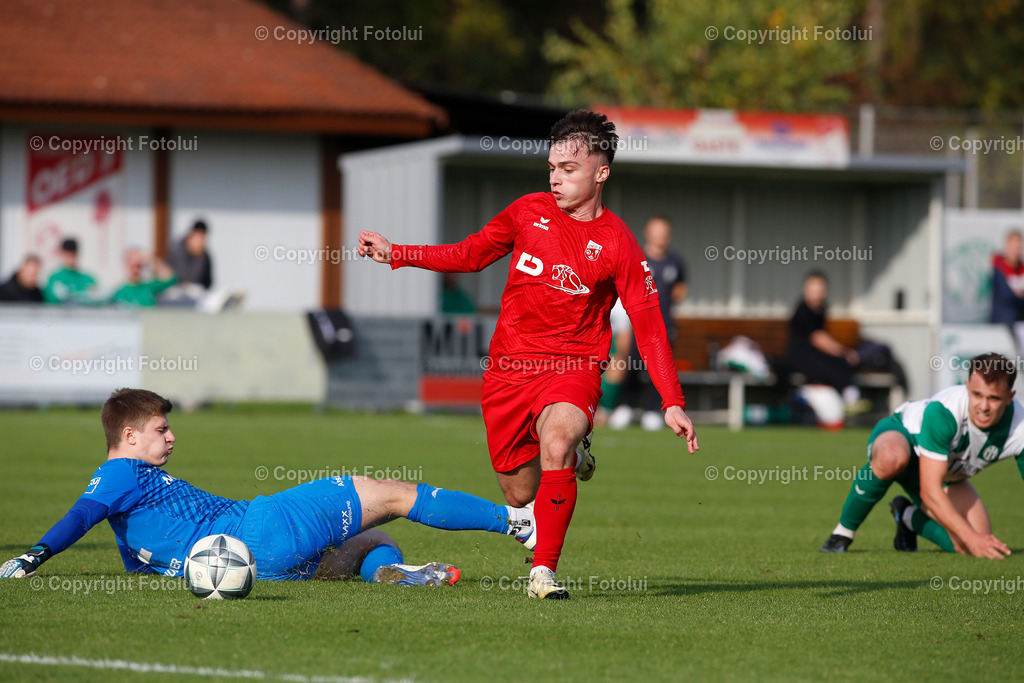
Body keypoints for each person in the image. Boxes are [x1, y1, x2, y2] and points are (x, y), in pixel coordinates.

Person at [357, 109, 699, 599]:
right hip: (509, 371)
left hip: (573, 366)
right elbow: (469, 254)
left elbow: (649, 325)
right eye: (552, 168)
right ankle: (569, 459)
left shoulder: (620, 244)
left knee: (555, 441)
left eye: (569, 169)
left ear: (601, 173)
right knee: (520, 495)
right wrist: (398, 252)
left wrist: (671, 400)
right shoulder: (527, 211)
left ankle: (543, 572)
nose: (556, 179)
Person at [0, 388, 535, 586]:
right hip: (263, 525)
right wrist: (33, 557)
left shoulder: (131, 500)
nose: (172, 438)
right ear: (129, 435)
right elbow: (80, 515)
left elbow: (140, 560)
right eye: (161, 431)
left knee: (366, 543)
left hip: (260, 569)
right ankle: (516, 522)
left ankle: (391, 574)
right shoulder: (118, 473)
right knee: (389, 492)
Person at [820, 353, 1021, 558]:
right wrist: (971, 537)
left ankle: (906, 516)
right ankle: (843, 533)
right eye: (977, 395)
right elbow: (930, 491)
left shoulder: (1020, 429)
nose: (984, 406)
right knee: (891, 457)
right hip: (904, 438)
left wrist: (973, 539)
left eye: (993, 398)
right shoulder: (945, 411)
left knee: (976, 544)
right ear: (966, 386)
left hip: (944, 471)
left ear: (1010, 397)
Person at [608, 215, 688, 431]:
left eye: (664, 231)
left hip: (664, 324)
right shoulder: (637, 257)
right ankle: (624, 407)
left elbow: (680, 290)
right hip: (637, 322)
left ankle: (653, 411)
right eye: (656, 230)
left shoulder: (676, 261)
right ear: (648, 232)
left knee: (660, 366)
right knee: (631, 363)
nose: (660, 235)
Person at [785, 271, 862, 408]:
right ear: (806, 289)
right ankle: (847, 401)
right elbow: (818, 339)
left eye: (820, 288)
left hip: (813, 355)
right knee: (834, 367)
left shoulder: (820, 310)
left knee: (840, 364)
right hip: (800, 358)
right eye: (813, 288)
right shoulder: (803, 310)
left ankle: (848, 399)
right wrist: (843, 351)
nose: (817, 292)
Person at [110, 249, 177, 307]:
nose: (136, 269)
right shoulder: (119, 292)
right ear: (126, 263)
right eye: (133, 265)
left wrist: (152, 259)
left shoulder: (149, 286)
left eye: (139, 265)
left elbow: (172, 278)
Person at [42, 237, 98, 304]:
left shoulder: (88, 279)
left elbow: (97, 300)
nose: (70, 258)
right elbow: (50, 302)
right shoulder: (54, 278)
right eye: (67, 254)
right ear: (62, 253)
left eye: (73, 254)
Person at [166, 220, 213, 291]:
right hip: (175, 290)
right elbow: (184, 277)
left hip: (196, 294)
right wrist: (198, 257)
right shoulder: (178, 249)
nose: (200, 242)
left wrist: (200, 256)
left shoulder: (204, 255)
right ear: (191, 235)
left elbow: (207, 282)